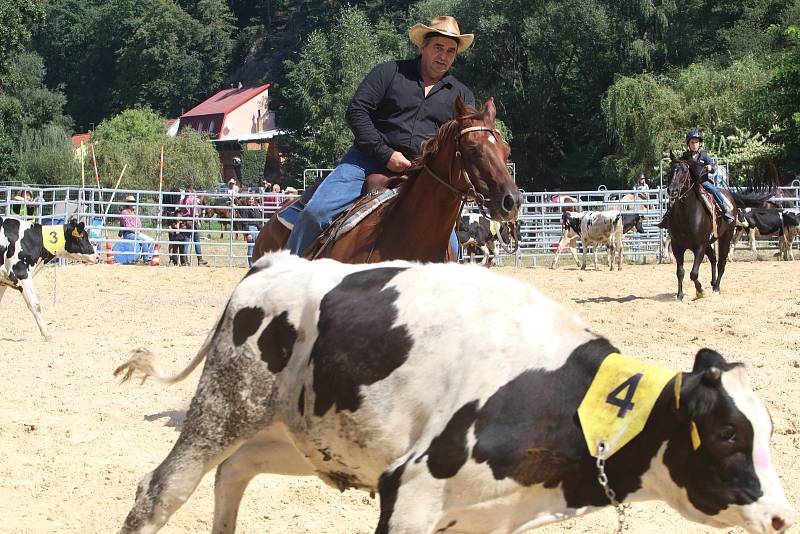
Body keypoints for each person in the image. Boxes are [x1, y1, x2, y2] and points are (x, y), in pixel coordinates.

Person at [284, 15, 476, 255]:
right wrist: (385, 154)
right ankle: (289, 270)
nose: (444, 56)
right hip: (365, 161)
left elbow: (465, 142)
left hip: (421, 175)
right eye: (438, 47)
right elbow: (357, 111)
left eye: (450, 51)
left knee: (451, 249)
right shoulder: (389, 72)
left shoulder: (462, 95)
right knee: (317, 213)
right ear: (422, 46)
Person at [682, 130, 734, 222]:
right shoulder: (685, 156)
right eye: (692, 142)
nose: (694, 144)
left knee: (714, 190)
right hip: (689, 183)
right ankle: (669, 214)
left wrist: (710, 167)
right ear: (688, 144)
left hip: (703, 182)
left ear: (700, 144)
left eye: (696, 142)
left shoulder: (704, 155)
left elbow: (713, 170)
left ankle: (725, 208)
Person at [119, 194, 155, 263]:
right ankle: (146, 259)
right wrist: (135, 231)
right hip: (129, 233)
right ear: (128, 204)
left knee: (151, 241)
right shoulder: (124, 212)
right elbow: (127, 226)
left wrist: (138, 229)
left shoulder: (135, 213)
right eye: (131, 202)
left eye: (133, 202)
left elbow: (139, 224)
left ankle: (149, 257)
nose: (133, 204)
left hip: (136, 232)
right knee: (144, 241)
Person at [180, 186, 208, 265]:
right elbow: (195, 212)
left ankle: (185, 260)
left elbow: (181, 211)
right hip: (192, 222)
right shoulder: (192, 200)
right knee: (197, 241)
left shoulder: (182, 201)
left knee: (186, 241)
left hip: (185, 221)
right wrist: (197, 221)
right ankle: (200, 259)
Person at [236, 194, 263, 266]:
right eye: (249, 199)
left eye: (252, 199)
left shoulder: (256, 208)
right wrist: (248, 233)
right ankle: (251, 264)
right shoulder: (245, 209)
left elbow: (259, 220)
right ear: (247, 200)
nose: (251, 201)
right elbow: (244, 222)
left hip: (257, 228)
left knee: (257, 247)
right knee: (251, 246)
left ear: (254, 200)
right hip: (250, 228)